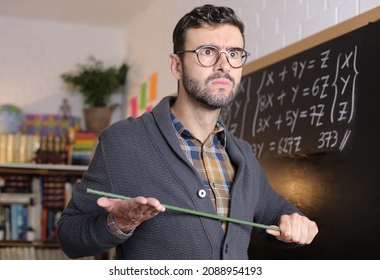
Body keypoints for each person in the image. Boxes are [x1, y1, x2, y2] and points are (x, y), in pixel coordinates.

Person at [57, 4, 318, 260]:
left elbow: (280, 217)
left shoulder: (243, 155)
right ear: (177, 66)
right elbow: (70, 237)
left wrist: (299, 226)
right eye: (207, 51)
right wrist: (119, 223)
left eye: (234, 53)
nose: (223, 65)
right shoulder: (124, 142)